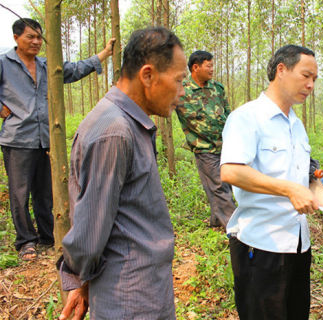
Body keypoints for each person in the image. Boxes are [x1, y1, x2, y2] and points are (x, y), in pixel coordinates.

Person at [57, 27, 187, 320]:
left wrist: (83, 280)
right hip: (130, 298)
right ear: (148, 75)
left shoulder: (126, 123)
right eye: (179, 81)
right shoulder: (114, 132)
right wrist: (78, 277)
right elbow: (89, 232)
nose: (181, 93)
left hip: (143, 288)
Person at [220, 45, 323, 320]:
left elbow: (305, 178)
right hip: (261, 244)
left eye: (315, 79)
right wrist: (288, 189)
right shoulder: (247, 118)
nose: (310, 85)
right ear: (281, 70)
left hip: (297, 244)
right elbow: (231, 171)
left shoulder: (297, 125)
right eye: (306, 76)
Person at [0, 18, 114, 261]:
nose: (36, 41)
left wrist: (103, 54)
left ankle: (47, 235)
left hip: (46, 138)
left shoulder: (46, 65)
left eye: (40, 37)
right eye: (30, 37)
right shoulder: (4, 63)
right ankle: (25, 242)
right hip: (18, 138)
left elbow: (74, 69)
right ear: (16, 38)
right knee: (20, 193)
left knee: (45, 192)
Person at [176, 50, 235, 227]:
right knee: (218, 187)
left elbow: (228, 114)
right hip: (204, 148)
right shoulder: (181, 90)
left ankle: (216, 221)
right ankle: (236, 230)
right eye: (208, 66)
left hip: (225, 146)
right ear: (196, 67)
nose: (212, 69)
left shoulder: (217, 88)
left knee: (227, 184)